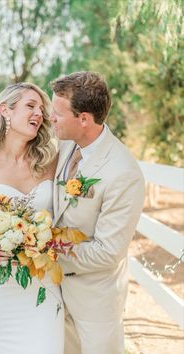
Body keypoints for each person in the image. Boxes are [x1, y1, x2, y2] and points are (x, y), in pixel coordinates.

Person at [0, 83, 64, 354]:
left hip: (43, 285)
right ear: (5, 110)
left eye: (41, 108)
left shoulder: (51, 162)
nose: (39, 113)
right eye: (31, 105)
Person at [50, 71, 145, 354]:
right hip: (55, 293)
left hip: (96, 300)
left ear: (84, 119)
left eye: (57, 112)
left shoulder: (124, 173)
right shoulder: (67, 143)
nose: (50, 117)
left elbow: (108, 251)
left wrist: (47, 252)